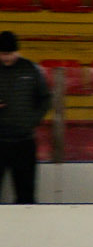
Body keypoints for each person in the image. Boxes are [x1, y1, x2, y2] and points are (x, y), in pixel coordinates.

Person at [0, 31, 51, 204]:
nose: (5, 57)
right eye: (2, 53)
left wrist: (31, 121)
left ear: (17, 51)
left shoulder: (30, 69)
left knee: (26, 196)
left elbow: (45, 98)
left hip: (24, 142)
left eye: (9, 53)